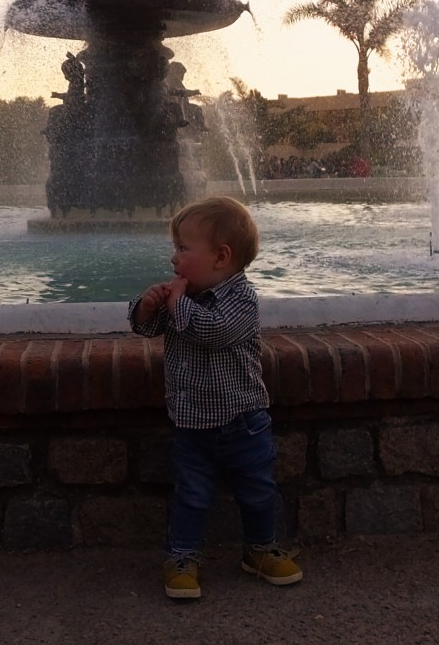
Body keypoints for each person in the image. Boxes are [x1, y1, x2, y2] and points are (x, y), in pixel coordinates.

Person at [130, 196, 302, 600]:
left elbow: (212, 332)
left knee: (259, 490)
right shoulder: (181, 300)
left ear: (221, 257)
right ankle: (183, 556)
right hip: (192, 422)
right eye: (176, 248)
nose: (174, 259)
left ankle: (259, 549)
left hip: (244, 420)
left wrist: (176, 304)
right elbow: (147, 328)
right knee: (191, 493)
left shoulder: (242, 300)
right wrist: (148, 307)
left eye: (183, 249)